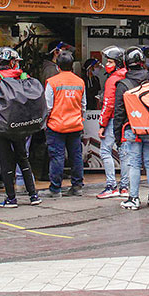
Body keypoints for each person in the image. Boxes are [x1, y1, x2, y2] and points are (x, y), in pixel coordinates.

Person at [0, 47, 42, 208]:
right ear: (12, 62)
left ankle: (11, 198)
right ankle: (33, 195)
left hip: (1, 127)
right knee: (23, 158)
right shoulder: (23, 76)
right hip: (21, 127)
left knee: (5, 161)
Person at [114, 46, 149, 210]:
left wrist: (117, 136)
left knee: (134, 164)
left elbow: (118, 112)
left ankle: (133, 198)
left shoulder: (123, 84)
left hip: (131, 129)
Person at [40, 51, 86, 198]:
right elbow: (83, 106)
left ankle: (55, 189)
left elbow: (47, 106)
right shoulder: (80, 82)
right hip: (75, 125)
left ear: (57, 66)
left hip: (56, 125)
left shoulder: (52, 82)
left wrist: (45, 122)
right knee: (76, 156)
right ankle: (77, 186)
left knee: (57, 157)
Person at [96, 46, 129, 199]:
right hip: (127, 120)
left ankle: (111, 185)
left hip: (113, 120)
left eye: (109, 62)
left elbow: (108, 104)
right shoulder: (128, 76)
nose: (107, 65)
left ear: (117, 63)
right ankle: (125, 187)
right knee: (124, 153)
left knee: (105, 151)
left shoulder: (113, 80)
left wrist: (102, 124)